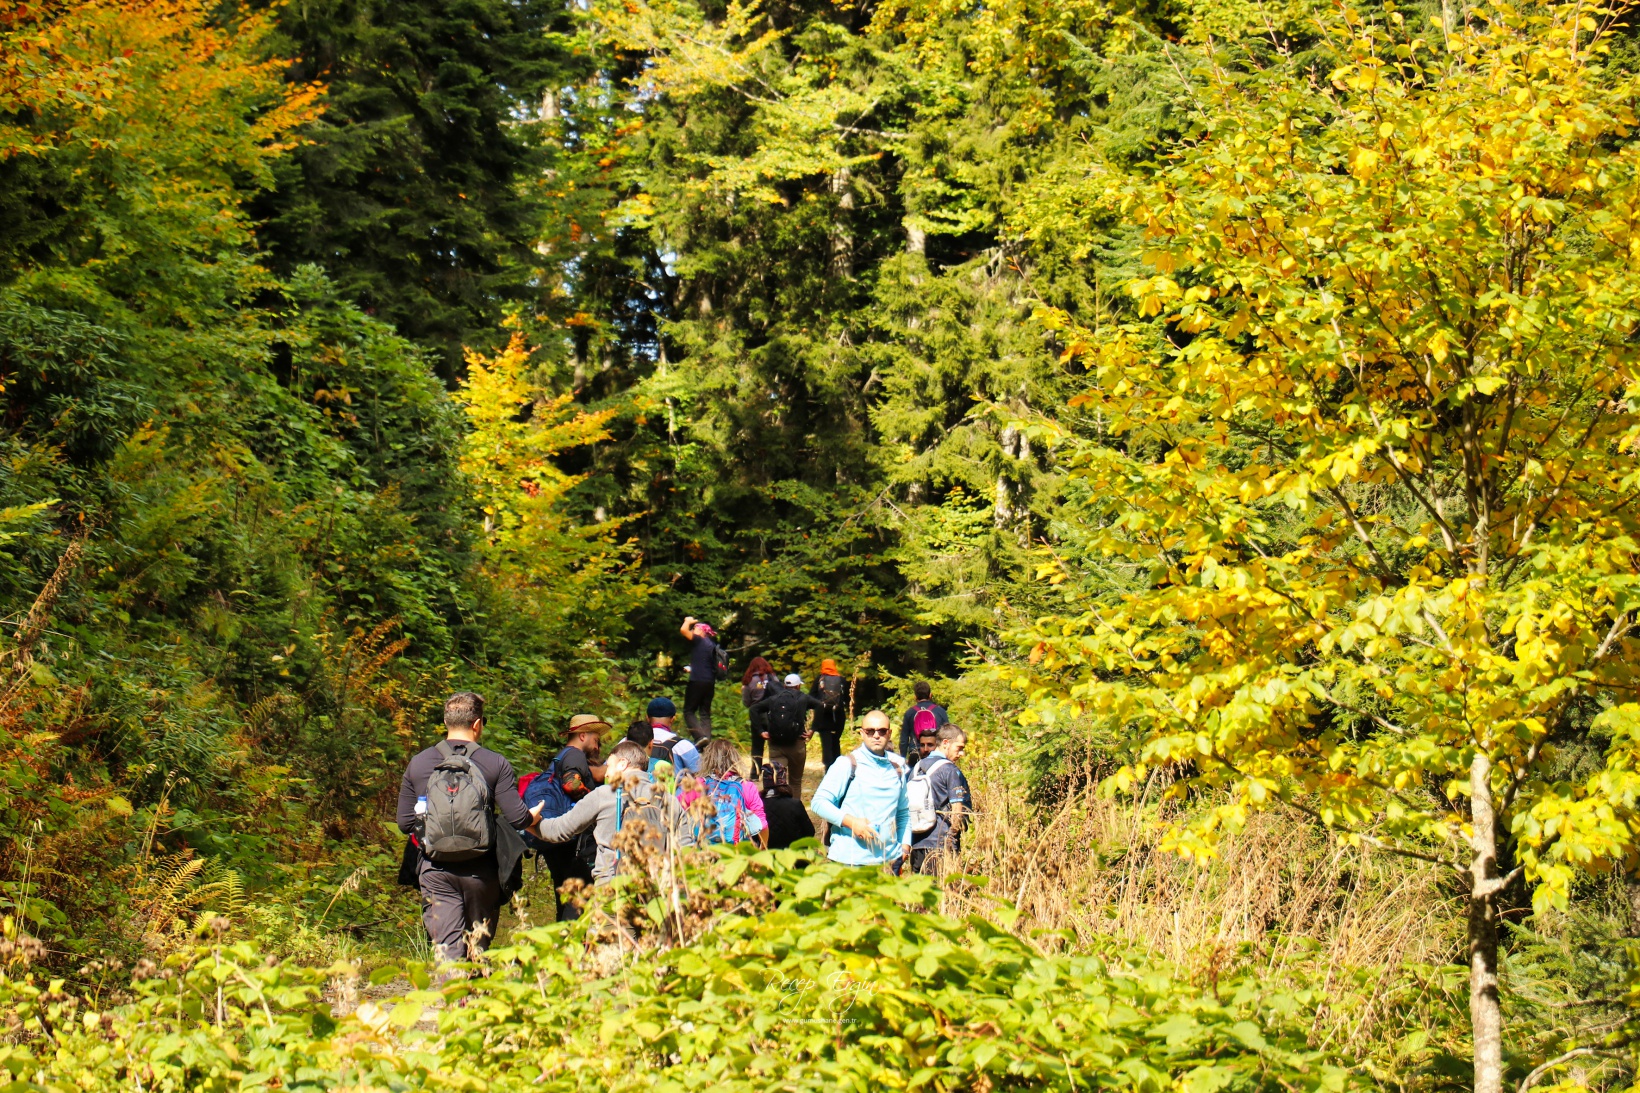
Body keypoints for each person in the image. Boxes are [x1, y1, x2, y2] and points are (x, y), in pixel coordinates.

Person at [396, 692, 539, 964]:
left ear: (446, 722)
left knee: (448, 951)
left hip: (435, 870)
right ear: (477, 724)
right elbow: (517, 817)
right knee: (477, 946)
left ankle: (453, 987)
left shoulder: (420, 763)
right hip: (481, 871)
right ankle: (475, 986)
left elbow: (404, 823)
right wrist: (533, 817)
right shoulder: (495, 763)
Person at [533, 741, 696, 884]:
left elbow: (558, 830)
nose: (606, 773)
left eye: (609, 766)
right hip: (657, 892)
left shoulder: (604, 794)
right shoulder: (670, 801)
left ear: (622, 763)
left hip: (612, 889)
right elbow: (687, 852)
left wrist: (528, 821)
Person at [524, 713, 607, 921]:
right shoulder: (574, 754)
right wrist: (594, 800)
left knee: (565, 891)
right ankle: (570, 936)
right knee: (577, 893)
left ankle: (561, 934)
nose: (597, 746)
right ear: (582, 736)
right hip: (571, 841)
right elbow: (571, 784)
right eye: (595, 740)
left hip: (556, 837)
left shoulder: (562, 756)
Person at [811, 710, 910, 871]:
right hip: (849, 861)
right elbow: (818, 803)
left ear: (889, 733)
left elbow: (903, 813)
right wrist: (852, 823)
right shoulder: (847, 764)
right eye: (870, 731)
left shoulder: (898, 768)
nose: (876, 735)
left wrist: (905, 847)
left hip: (888, 862)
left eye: (882, 731)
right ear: (862, 733)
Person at [677, 738, 767, 846]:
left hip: (704, 849)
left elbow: (677, 810)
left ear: (707, 760)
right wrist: (763, 849)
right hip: (736, 849)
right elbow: (762, 824)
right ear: (735, 759)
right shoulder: (746, 786)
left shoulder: (699, 784)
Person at [908, 725, 971, 874]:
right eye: (959, 748)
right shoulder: (950, 770)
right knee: (943, 888)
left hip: (917, 845)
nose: (961, 753)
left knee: (920, 888)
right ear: (945, 743)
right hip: (941, 846)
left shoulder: (916, 768)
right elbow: (957, 811)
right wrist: (952, 840)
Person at [749, 673, 823, 788]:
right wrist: (813, 729)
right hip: (797, 743)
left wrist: (760, 731)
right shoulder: (803, 698)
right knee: (795, 781)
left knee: (777, 780)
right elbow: (820, 706)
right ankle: (794, 800)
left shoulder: (774, 698)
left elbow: (754, 709)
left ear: (784, 686)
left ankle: (777, 798)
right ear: (798, 686)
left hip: (776, 744)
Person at [679, 616, 723, 741]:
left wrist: (688, 621)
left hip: (697, 681)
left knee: (689, 711)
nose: (693, 631)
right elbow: (705, 664)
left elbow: (683, 630)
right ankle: (707, 742)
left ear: (702, 631)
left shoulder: (699, 641)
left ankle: (700, 737)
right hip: (709, 682)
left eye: (695, 629)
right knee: (705, 713)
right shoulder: (712, 645)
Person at [759, 758, 815, 850]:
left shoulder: (758, 807)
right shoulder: (795, 804)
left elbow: (754, 837)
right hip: (795, 855)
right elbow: (810, 832)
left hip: (767, 855)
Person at [809, 659, 849, 768]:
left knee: (826, 744)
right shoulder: (842, 680)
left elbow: (811, 697)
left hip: (823, 716)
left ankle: (828, 769)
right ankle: (837, 768)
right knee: (836, 742)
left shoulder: (819, 679)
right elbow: (846, 698)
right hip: (838, 717)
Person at [645, 697, 700, 776]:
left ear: (647, 718)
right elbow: (699, 774)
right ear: (672, 719)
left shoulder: (630, 741)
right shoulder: (683, 745)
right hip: (670, 784)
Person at [741, 656, 779, 764]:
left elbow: (746, 702)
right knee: (775, 744)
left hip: (756, 715)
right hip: (773, 714)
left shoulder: (749, 680)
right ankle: (777, 768)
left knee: (757, 745)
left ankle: (755, 770)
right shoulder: (773, 678)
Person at [898, 681, 950, 760]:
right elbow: (948, 734)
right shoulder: (940, 711)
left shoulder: (909, 713)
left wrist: (902, 758)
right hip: (936, 753)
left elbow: (904, 740)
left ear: (915, 697)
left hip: (915, 753)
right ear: (930, 695)